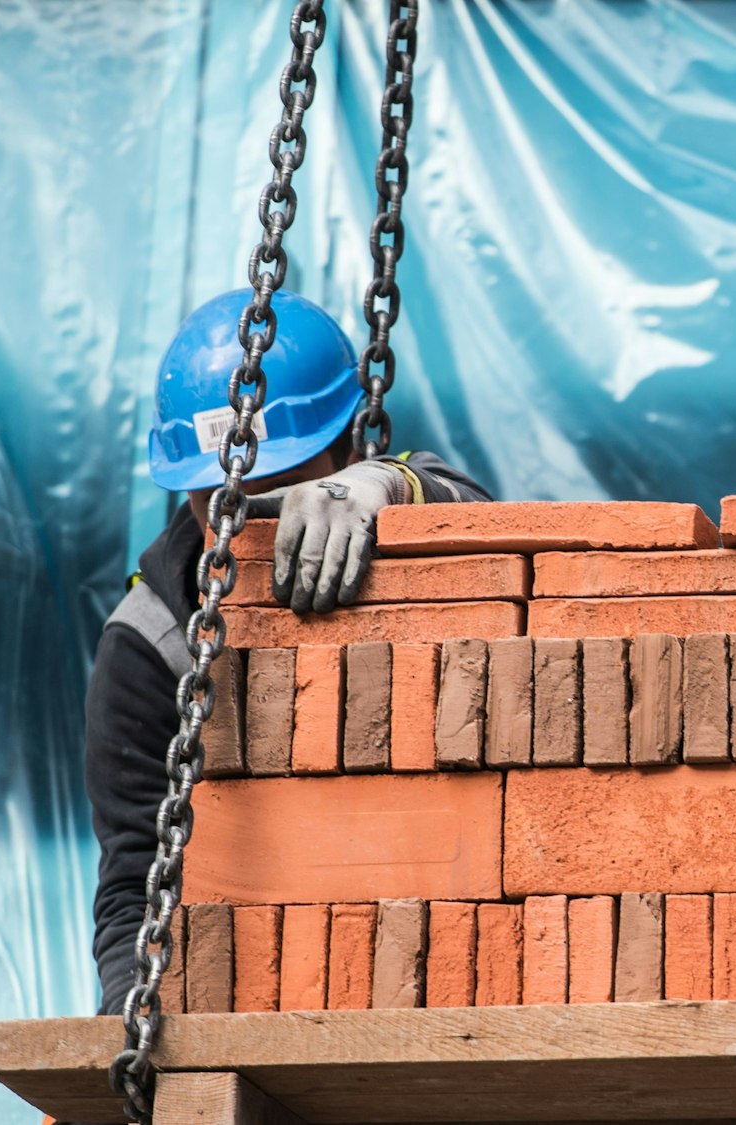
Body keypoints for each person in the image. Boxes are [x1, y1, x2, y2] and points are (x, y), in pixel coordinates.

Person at [85, 289, 489, 1015]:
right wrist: (131, 1022)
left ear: (342, 449)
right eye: (223, 501)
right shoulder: (151, 644)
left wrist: (389, 484)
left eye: (278, 492)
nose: (250, 525)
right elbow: (134, 881)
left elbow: (509, 544)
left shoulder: (387, 507)